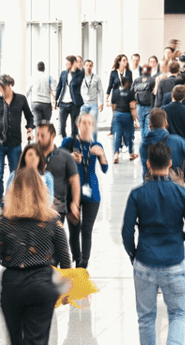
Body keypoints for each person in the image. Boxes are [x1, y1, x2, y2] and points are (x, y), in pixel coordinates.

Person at [0, 167, 71, 344]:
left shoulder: (4, 224)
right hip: (42, 284)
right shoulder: (52, 221)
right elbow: (65, 258)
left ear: (13, 192)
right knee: (37, 339)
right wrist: (68, 291)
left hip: (12, 285)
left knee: (16, 340)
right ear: (41, 191)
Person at [122, 141, 185, 345]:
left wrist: (134, 254)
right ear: (170, 163)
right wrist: (178, 236)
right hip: (174, 262)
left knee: (146, 318)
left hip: (145, 261)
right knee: (178, 315)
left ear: (148, 164)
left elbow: (126, 232)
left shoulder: (137, 195)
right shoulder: (182, 194)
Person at [62, 114, 108, 269]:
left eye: (90, 123)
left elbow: (105, 168)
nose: (87, 126)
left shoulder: (96, 145)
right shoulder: (69, 142)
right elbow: (56, 158)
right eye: (84, 122)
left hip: (92, 194)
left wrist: (102, 155)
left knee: (86, 229)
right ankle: (76, 259)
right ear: (78, 124)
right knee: (73, 229)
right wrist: (70, 157)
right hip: (72, 193)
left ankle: (83, 265)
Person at [0, 74, 35, 205]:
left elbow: (30, 117)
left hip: (14, 144)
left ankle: (12, 202)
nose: (0, 91)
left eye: (2, 88)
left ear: (9, 86)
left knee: (15, 175)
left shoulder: (21, 99)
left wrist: (29, 130)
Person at [36, 123, 82, 252]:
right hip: (34, 208)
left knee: (53, 247)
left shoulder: (65, 156)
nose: (38, 138)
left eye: (42, 135)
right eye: (38, 135)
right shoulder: (32, 155)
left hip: (57, 208)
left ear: (53, 136)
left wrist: (75, 204)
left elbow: (75, 181)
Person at [140, 108, 185, 190]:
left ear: (150, 126)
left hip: (151, 184)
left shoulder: (144, 145)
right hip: (175, 183)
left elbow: (145, 169)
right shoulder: (178, 141)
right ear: (166, 123)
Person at [111, 75, 139, 163]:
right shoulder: (130, 92)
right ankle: (131, 153)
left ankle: (116, 154)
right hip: (127, 115)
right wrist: (136, 120)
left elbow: (113, 105)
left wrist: (115, 114)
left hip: (117, 114)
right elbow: (132, 107)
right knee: (129, 135)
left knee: (117, 135)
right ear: (127, 83)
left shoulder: (115, 92)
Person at [55, 55, 84, 138]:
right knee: (62, 127)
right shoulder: (63, 73)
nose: (66, 65)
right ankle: (65, 143)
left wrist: (74, 71)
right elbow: (59, 86)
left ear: (72, 64)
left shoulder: (80, 73)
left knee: (74, 128)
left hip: (74, 104)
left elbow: (75, 84)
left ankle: (73, 145)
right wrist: (56, 99)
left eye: (68, 63)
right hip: (63, 104)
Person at [79, 59, 105, 139]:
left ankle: (94, 143)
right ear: (84, 66)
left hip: (93, 104)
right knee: (82, 124)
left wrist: (101, 103)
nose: (88, 67)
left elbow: (101, 91)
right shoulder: (80, 78)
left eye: (90, 65)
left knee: (93, 124)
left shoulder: (97, 78)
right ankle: (83, 142)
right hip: (83, 104)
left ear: (92, 66)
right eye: (87, 65)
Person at [27, 61, 56, 127]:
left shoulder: (32, 77)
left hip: (36, 103)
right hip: (46, 104)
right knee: (46, 124)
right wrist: (55, 101)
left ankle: (38, 136)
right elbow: (54, 90)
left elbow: (27, 91)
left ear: (37, 68)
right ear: (44, 68)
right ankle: (45, 136)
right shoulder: (49, 77)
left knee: (37, 123)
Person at [133, 65, 156, 140]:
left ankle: (144, 141)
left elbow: (132, 91)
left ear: (142, 70)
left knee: (142, 126)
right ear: (150, 71)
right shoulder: (153, 80)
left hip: (139, 105)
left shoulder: (137, 80)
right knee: (147, 125)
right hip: (149, 105)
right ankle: (146, 142)